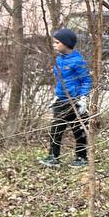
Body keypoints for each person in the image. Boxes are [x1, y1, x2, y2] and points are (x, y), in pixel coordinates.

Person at [40, 27, 91, 168]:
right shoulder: (59, 60)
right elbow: (61, 82)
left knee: (79, 131)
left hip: (75, 102)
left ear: (66, 43)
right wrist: (57, 96)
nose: (54, 45)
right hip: (61, 101)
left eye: (57, 42)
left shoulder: (77, 61)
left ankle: (81, 158)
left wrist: (83, 98)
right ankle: (53, 157)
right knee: (56, 129)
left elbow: (86, 80)